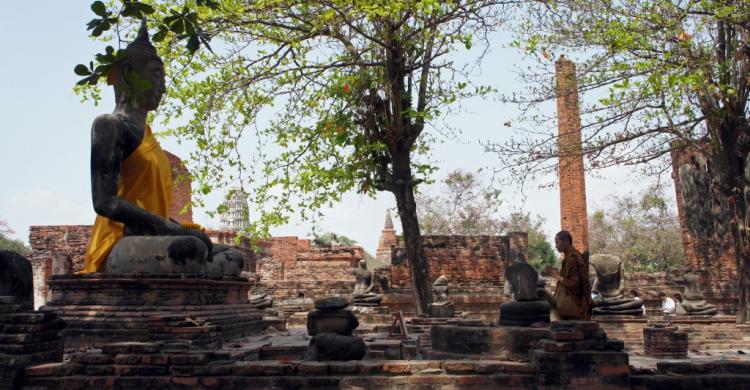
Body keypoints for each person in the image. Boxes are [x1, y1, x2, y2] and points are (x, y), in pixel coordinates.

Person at [82, 21, 236, 273]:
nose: (163, 88)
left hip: (153, 238)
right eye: (156, 76)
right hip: (120, 239)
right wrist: (171, 229)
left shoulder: (149, 137)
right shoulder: (109, 125)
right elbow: (105, 202)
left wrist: (178, 227)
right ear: (130, 74)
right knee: (191, 251)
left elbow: (153, 209)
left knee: (230, 258)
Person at [546, 231, 592, 320]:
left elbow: (575, 284)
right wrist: (557, 274)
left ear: (566, 241)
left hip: (573, 304)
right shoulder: (568, 258)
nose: (555, 246)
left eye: (557, 242)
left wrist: (556, 276)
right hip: (568, 303)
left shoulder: (573, 258)